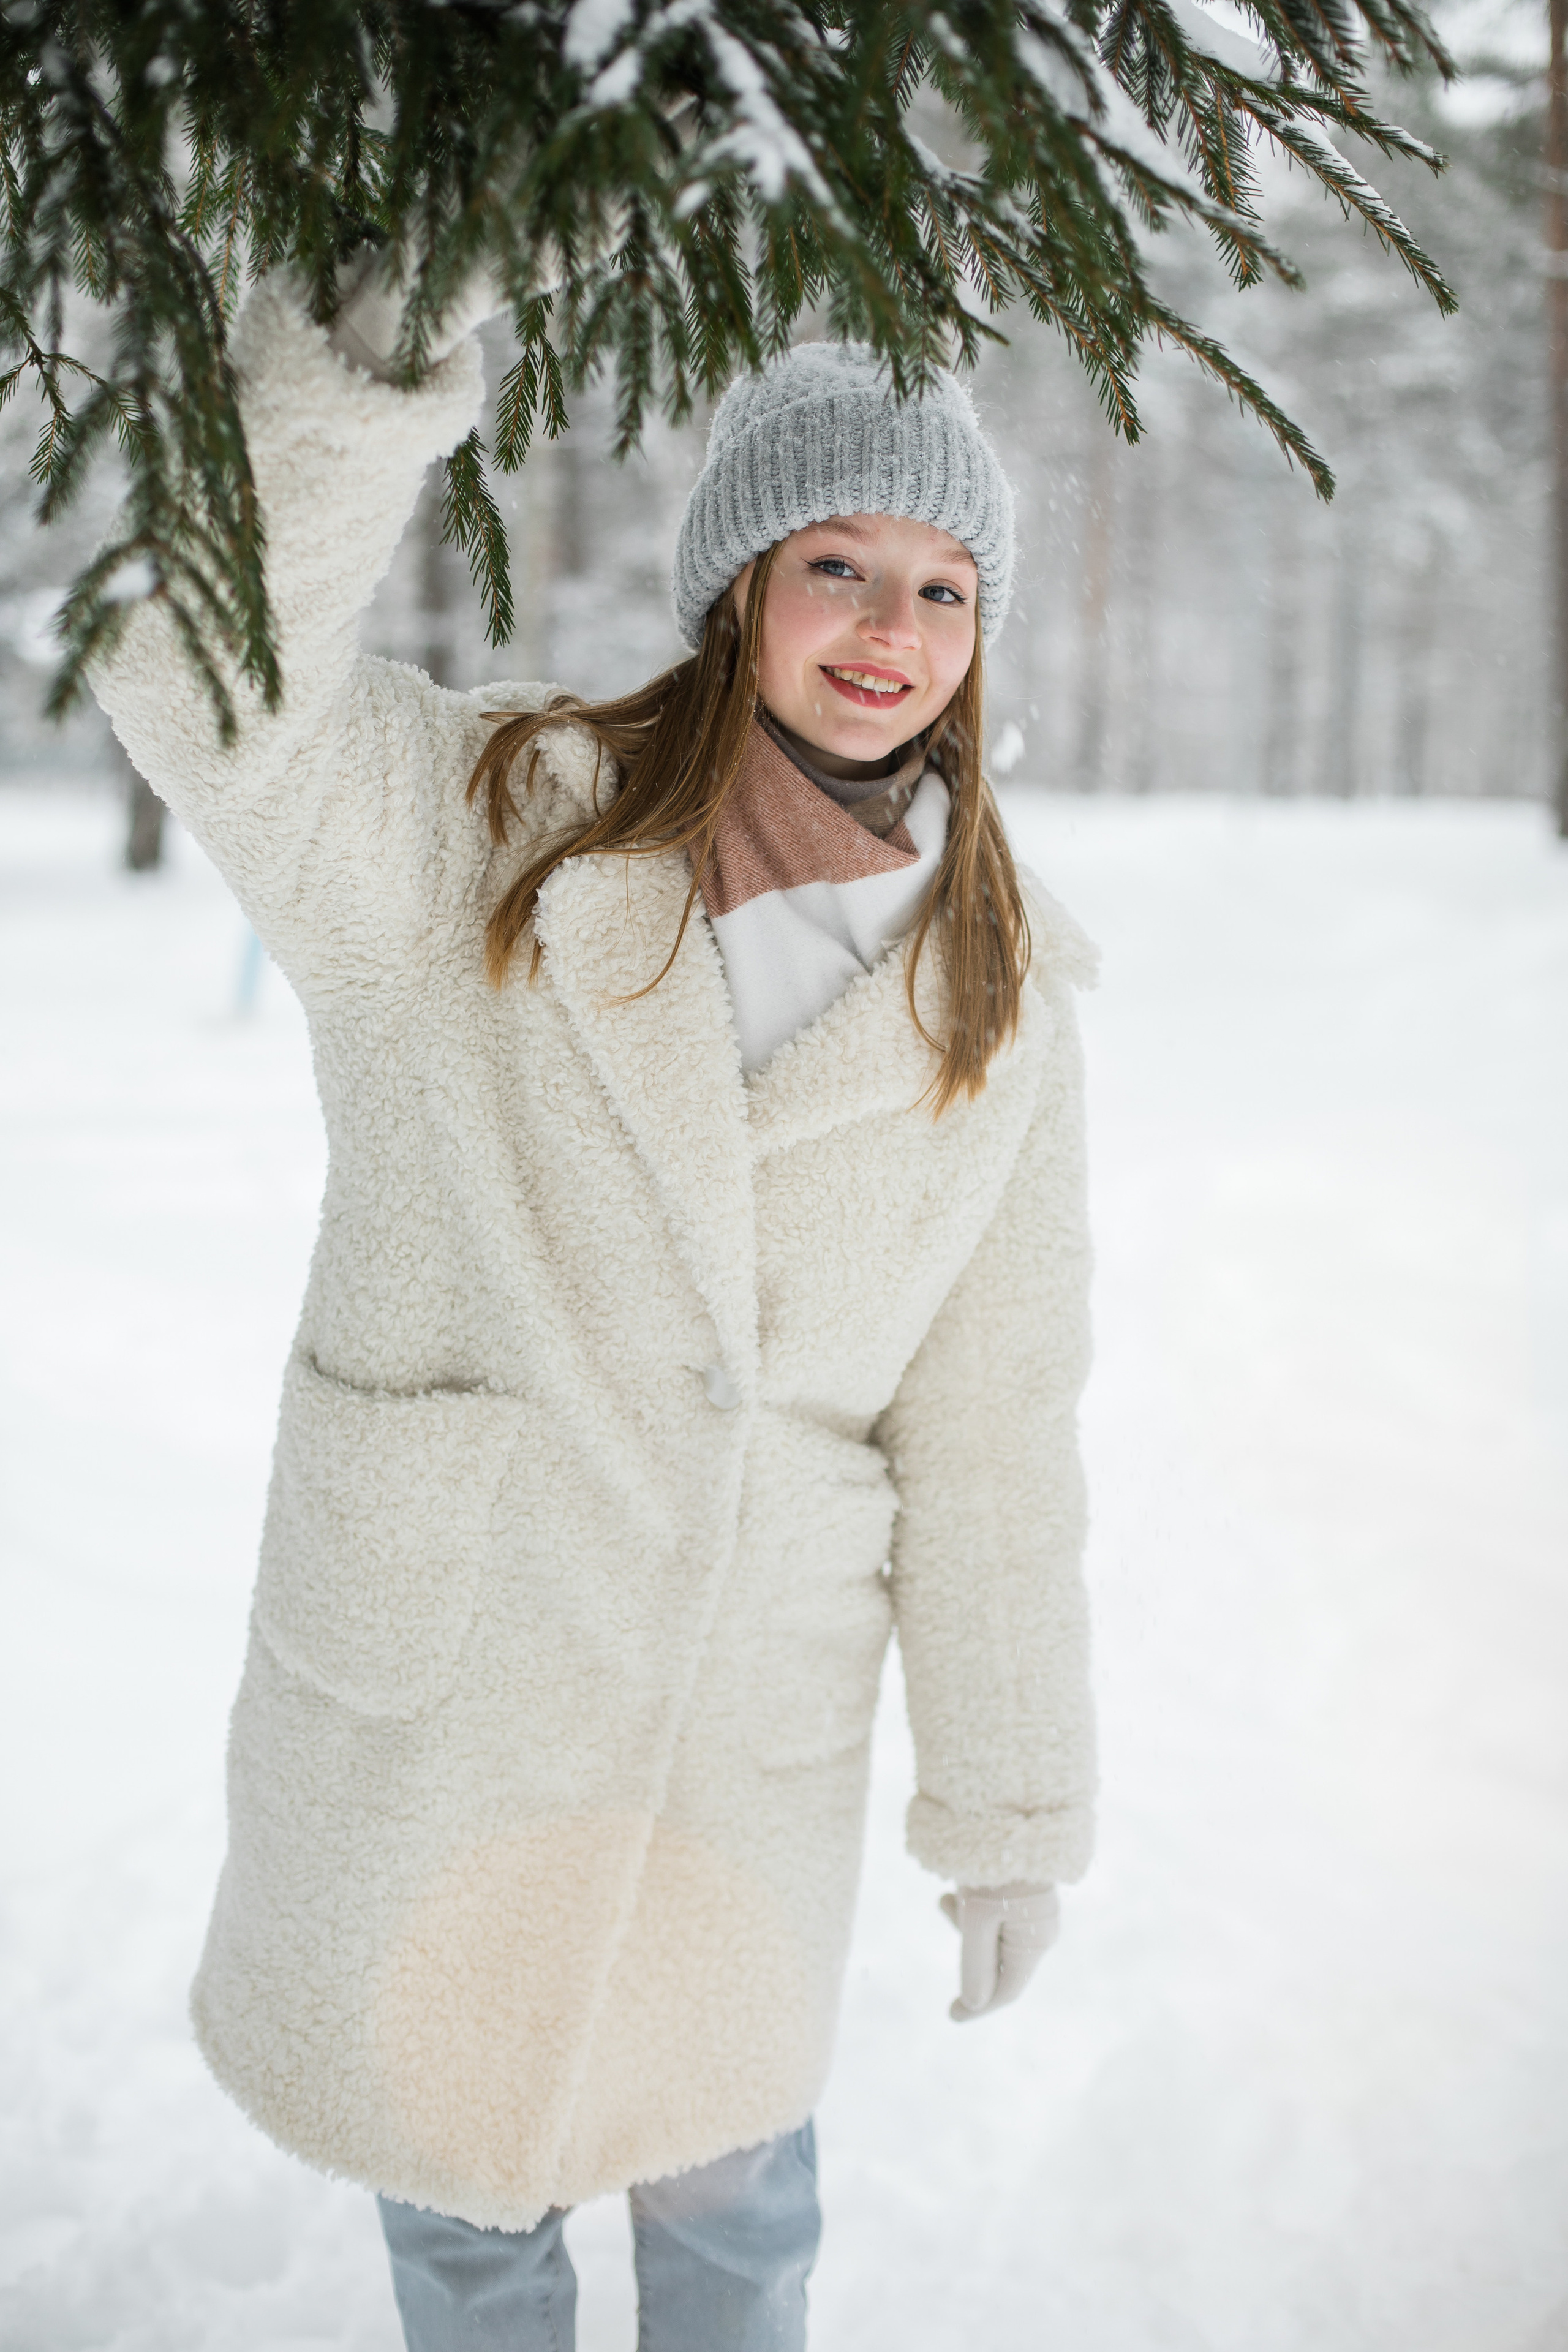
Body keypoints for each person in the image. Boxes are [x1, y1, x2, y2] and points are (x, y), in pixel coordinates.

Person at [92, 255, 1098, 2352]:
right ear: (736, 582)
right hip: (453, 1673)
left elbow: (992, 1428)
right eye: (839, 562)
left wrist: (1007, 1805)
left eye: (945, 588)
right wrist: (360, 374)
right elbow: (205, 675)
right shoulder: (481, 829)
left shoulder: (1001, 987)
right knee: (464, 2206)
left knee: (734, 2206)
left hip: (747, 1718)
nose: (892, 633)